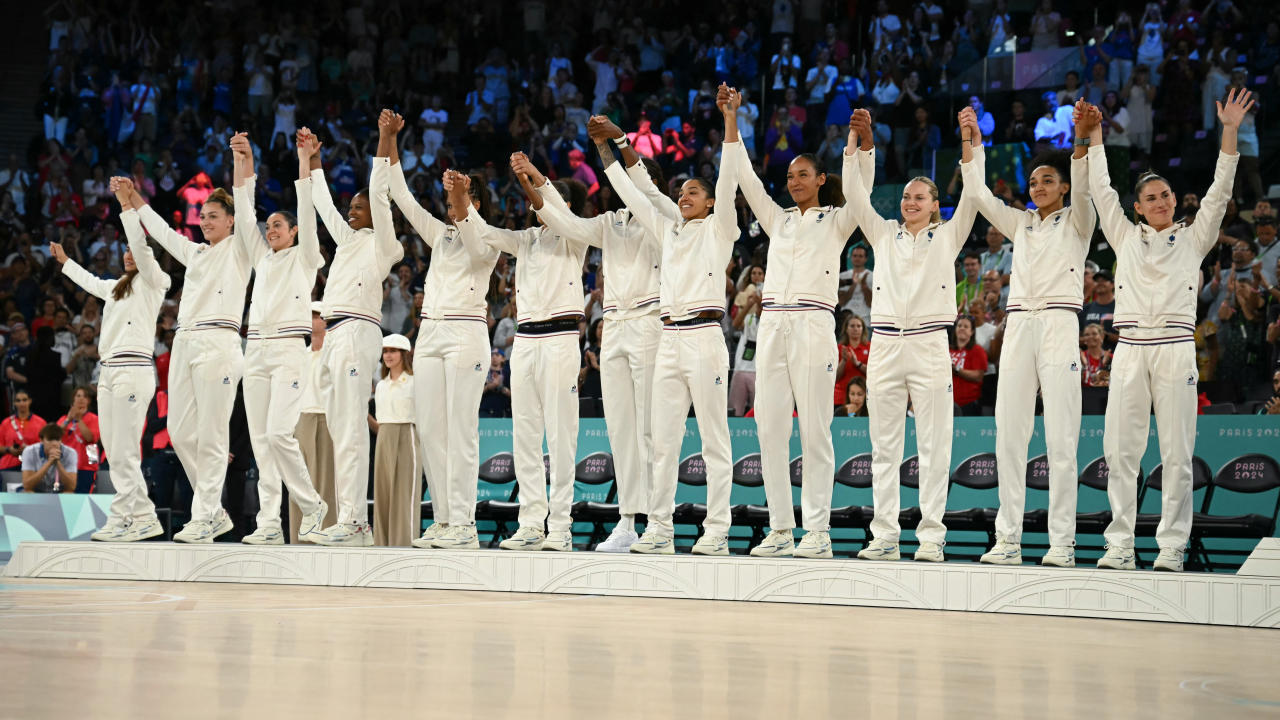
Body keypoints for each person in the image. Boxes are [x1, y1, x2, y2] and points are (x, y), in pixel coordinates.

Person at [1090, 89, 1254, 572]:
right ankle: (1119, 543)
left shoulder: (1194, 237)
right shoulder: (1122, 235)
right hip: (1131, 350)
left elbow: (1221, 191)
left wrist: (1229, 130)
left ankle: (1171, 546)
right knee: (1120, 454)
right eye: (1151, 198)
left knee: (1177, 456)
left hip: (1177, 349)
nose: (1161, 202)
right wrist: (1096, 136)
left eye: (1166, 195)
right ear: (1137, 207)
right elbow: (1101, 190)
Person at [725, 85, 872, 560]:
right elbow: (746, 179)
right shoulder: (779, 219)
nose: (792, 181)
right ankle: (781, 530)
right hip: (772, 328)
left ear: (821, 178)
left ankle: (818, 532)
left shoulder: (837, 219)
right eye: (789, 175)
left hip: (812, 324)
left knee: (814, 430)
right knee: (768, 428)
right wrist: (733, 119)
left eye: (802, 174)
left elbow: (862, 190)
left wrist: (861, 143)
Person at [604, 86, 741, 556]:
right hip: (668, 338)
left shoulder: (721, 229)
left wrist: (729, 120)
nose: (683, 196)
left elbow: (728, 180)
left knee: (712, 439)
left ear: (709, 202)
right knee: (661, 440)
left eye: (693, 192)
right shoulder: (668, 230)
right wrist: (608, 148)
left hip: (704, 336)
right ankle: (659, 528)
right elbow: (632, 188)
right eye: (681, 191)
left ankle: (717, 529)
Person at [959, 101, 1096, 568]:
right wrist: (971, 141)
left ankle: (1062, 543)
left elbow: (1084, 180)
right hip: (1017, 324)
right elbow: (977, 195)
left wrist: (1080, 137)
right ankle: (1008, 539)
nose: (1038, 187)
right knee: (1009, 437)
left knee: (1061, 437)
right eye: (1034, 181)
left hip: (1059, 323)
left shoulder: (1080, 221)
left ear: (1064, 187)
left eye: (1047, 181)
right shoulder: (1020, 223)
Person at [845, 107, 979, 563]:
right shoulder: (884, 236)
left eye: (920, 197)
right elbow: (853, 193)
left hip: (927, 343)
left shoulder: (948, 235)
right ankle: (884, 535)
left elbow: (975, 192)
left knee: (933, 446)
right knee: (883, 448)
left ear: (935, 205)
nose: (910, 202)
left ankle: (931, 536)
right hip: (883, 344)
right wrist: (861, 145)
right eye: (906, 196)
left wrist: (968, 140)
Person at [533, 115, 670, 553]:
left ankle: (657, 522)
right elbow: (569, 225)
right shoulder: (610, 222)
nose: (617, 189)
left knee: (650, 429)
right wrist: (537, 186)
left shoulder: (664, 215)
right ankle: (628, 520)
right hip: (613, 327)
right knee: (621, 430)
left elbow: (640, 186)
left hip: (649, 321)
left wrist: (615, 145)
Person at [453, 158, 593, 553]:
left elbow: (550, 206)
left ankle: (561, 526)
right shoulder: (526, 240)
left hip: (562, 338)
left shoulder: (576, 236)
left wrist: (528, 177)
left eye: (549, 201)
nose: (539, 207)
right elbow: (484, 231)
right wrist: (461, 198)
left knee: (562, 435)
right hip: (526, 340)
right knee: (525, 437)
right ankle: (531, 522)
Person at [382, 112, 499, 552]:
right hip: (429, 333)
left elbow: (472, 238)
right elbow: (403, 197)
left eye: (459, 205)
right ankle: (445, 520)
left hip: (466, 334)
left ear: (475, 204)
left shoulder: (486, 238)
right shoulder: (441, 234)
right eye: (449, 206)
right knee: (430, 429)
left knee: (460, 430)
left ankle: (465, 522)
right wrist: (391, 138)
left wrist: (462, 195)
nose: (450, 212)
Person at [136, 161, 252, 543]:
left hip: (219, 342)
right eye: (203, 215)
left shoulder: (240, 249)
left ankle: (203, 516)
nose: (205, 221)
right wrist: (131, 201)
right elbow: (163, 232)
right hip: (184, 340)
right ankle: (214, 512)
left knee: (212, 435)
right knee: (180, 431)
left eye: (214, 216)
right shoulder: (197, 253)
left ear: (232, 221)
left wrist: (242, 162)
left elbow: (246, 202)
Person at [305, 111, 404, 546]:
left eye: (358, 208)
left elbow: (381, 196)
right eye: (352, 207)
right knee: (338, 427)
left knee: (349, 429)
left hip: (358, 332)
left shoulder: (386, 246)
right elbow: (323, 204)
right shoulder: (346, 241)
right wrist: (311, 160)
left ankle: (354, 521)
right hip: (333, 333)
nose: (352, 212)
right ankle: (351, 520)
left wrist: (384, 139)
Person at [229, 130, 328, 546]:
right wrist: (242, 161)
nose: (270, 230)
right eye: (268, 225)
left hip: (290, 348)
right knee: (259, 441)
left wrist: (305, 161)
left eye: (278, 225)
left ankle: (312, 504)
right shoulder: (262, 259)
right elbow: (243, 209)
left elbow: (306, 208)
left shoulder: (305, 259)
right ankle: (269, 521)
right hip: (256, 350)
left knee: (278, 434)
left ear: (294, 232)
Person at [289, 303, 338, 543]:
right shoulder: (301, 354)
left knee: (326, 481)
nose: (311, 320)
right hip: (301, 418)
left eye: (316, 316)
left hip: (326, 417)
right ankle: (299, 538)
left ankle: (327, 535)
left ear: (326, 321)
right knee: (299, 480)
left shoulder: (333, 351)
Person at [370, 334, 420, 546]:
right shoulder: (380, 385)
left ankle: (404, 542)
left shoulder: (414, 382)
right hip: (383, 437)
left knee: (404, 493)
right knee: (382, 493)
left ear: (403, 354)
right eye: (385, 351)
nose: (388, 355)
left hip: (407, 435)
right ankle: (382, 543)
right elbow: (380, 422)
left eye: (393, 351)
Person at [55, 386, 99, 494]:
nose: (81, 399)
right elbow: (54, 437)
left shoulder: (94, 418)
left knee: (83, 498)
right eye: (78, 396)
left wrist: (79, 419)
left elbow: (90, 438)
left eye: (85, 396)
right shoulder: (64, 419)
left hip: (86, 466)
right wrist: (68, 420)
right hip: (66, 466)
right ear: (73, 399)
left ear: (88, 401)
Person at [21, 423, 77, 492]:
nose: (54, 444)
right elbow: (27, 485)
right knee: (28, 492)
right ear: (41, 440)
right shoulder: (29, 451)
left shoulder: (70, 453)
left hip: (59, 492)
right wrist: (49, 463)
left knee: (69, 494)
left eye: (57, 439)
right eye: (50, 440)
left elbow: (71, 487)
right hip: (36, 491)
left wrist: (58, 463)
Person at [0, 390, 45, 474]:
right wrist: (9, 449)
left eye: (24, 400)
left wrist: (29, 449)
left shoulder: (40, 423)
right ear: (14, 403)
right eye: (18, 400)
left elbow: (47, 446)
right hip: (9, 466)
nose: (21, 403)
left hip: (34, 466)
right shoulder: (6, 423)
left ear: (30, 401)